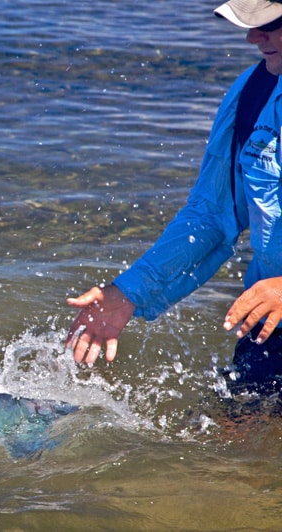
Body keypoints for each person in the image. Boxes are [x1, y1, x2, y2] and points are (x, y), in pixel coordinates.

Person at [66, 0, 282, 395]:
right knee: (228, 450)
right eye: (253, 24)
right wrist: (129, 291)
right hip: (269, 324)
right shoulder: (251, 93)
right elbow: (212, 217)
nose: (254, 37)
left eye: (271, 24)